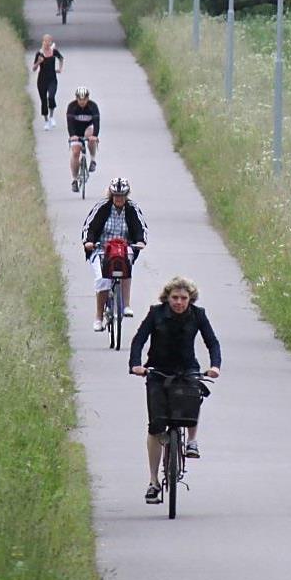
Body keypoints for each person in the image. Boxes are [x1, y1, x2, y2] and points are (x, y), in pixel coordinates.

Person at [129, 277, 221, 502]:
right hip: (158, 370)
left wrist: (215, 366)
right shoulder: (156, 313)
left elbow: (212, 342)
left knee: (192, 400)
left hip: (187, 368)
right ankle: (153, 481)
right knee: (156, 426)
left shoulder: (198, 315)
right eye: (175, 298)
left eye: (183, 298)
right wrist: (136, 365)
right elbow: (139, 340)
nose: (179, 302)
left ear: (190, 299)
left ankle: (191, 441)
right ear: (167, 298)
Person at [82, 177, 147, 330]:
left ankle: (126, 304)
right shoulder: (102, 207)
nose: (119, 199)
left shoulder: (132, 208)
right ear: (111, 195)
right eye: (116, 196)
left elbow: (140, 228)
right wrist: (88, 242)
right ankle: (98, 318)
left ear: (127, 195)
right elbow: (89, 227)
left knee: (127, 262)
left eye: (122, 196)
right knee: (102, 280)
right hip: (101, 248)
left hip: (123, 248)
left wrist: (140, 241)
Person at [67, 86, 100, 191]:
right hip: (76, 131)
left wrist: (95, 136)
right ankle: (74, 180)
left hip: (88, 128)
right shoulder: (72, 106)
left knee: (90, 136)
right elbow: (70, 124)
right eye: (80, 99)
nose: (82, 102)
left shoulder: (93, 106)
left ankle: (93, 159)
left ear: (88, 98)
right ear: (76, 98)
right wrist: (72, 135)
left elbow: (96, 123)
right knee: (76, 152)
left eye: (84, 99)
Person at [32, 35, 63, 127]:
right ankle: (46, 121)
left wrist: (60, 68)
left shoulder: (54, 51)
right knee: (44, 100)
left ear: (51, 42)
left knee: (51, 97)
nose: (47, 43)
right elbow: (34, 68)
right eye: (45, 41)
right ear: (43, 42)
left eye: (48, 41)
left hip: (52, 78)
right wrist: (38, 62)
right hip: (42, 80)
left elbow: (61, 58)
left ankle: (51, 116)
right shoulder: (39, 53)